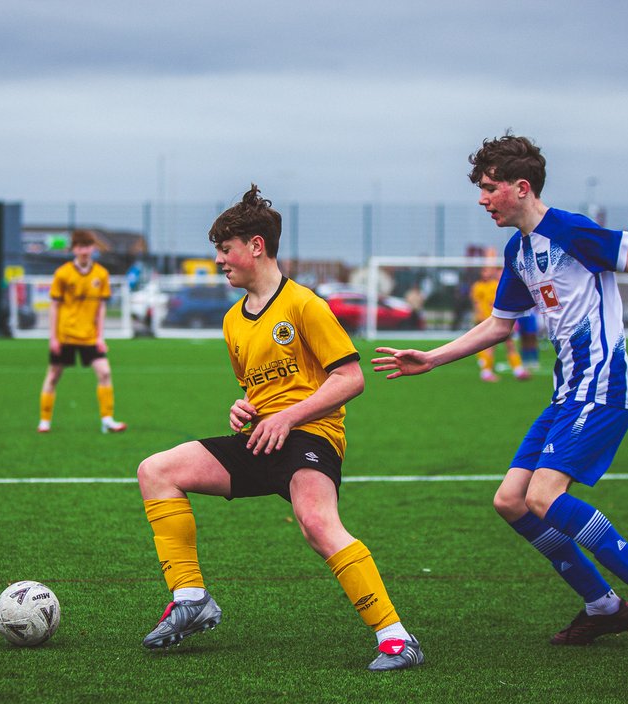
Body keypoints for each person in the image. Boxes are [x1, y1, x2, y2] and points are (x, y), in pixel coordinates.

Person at [373, 134, 628, 655]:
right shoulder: (519, 251)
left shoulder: (572, 230)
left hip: (602, 385)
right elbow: (499, 326)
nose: (483, 200)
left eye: (490, 189)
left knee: (544, 496)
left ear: (521, 187)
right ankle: (604, 606)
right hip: (566, 394)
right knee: (511, 501)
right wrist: (433, 359)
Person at [135, 185, 423, 671]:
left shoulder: (304, 304)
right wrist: (243, 407)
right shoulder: (232, 321)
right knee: (156, 471)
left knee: (317, 524)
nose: (220, 262)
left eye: (225, 251)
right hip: (262, 438)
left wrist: (290, 416)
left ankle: (397, 638)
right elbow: (258, 388)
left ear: (256, 246)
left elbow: (351, 378)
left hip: (310, 438)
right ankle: (191, 599)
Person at [37, 230, 126, 434]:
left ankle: (107, 419)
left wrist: (100, 336)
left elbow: (101, 308)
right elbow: (54, 306)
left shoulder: (101, 274)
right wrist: (53, 337)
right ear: (73, 249)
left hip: (89, 337)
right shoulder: (62, 273)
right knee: (52, 376)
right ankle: (44, 421)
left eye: (87, 246)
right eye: (79, 246)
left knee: (105, 372)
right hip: (65, 334)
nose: (84, 250)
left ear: (93, 248)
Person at [470, 264, 529, 382]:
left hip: (500, 320)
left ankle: (518, 370)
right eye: (484, 271)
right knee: (490, 346)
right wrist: (480, 317)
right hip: (487, 321)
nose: (486, 273)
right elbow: (476, 303)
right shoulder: (478, 286)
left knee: (510, 345)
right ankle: (486, 371)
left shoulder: (496, 285)